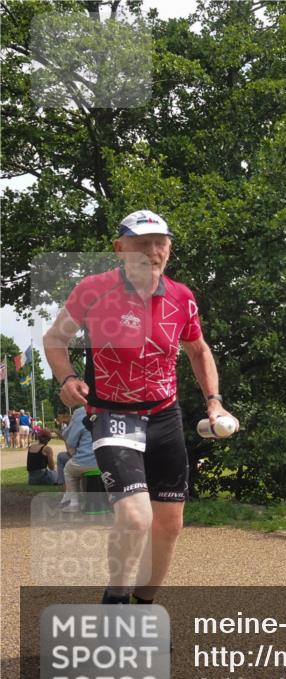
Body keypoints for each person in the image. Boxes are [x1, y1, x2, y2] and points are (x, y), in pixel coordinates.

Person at [43, 209, 237, 605]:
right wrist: (67, 378)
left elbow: (198, 351)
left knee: (169, 525)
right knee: (135, 518)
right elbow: (54, 339)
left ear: (168, 248)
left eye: (159, 242)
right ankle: (114, 603)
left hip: (164, 416)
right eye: (140, 243)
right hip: (113, 414)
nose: (152, 251)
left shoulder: (181, 296)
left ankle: (144, 605)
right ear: (120, 248)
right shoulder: (93, 290)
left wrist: (214, 403)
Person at [57, 405, 99, 512]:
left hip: (87, 461)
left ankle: (74, 503)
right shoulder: (108, 408)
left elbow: (71, 441)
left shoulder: (81, 412)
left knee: (68, 470)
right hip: (106, 461)